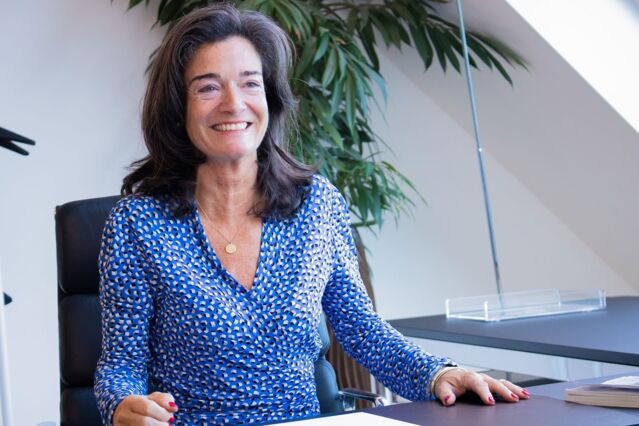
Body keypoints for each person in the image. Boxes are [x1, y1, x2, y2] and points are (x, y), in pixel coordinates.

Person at [94, 4, 529, 425]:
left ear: (270, 97)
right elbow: (120, 364)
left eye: (250, 83)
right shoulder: (137, 224)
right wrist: (123, 405)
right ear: (177, 108)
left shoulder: (316, 206)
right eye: (208, 87)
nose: (233, 103)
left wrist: (438, 374)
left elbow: (363, 331)